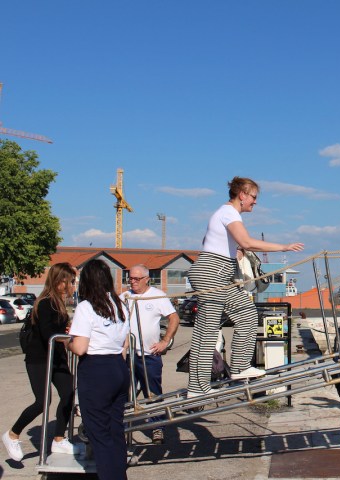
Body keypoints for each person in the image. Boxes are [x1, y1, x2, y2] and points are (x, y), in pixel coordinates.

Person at [187, 177, 303, 398]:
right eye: (253, 197)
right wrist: (284, 247)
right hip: (212, 274)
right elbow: (248, 242)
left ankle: (240, 367)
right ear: (242, 194)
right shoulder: (228, 212)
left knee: (247, 313)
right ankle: (197, 388)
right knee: (207, 330)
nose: (255, 202)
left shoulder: (226, 214)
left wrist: (232, 252)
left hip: (219, 273)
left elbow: (209, 241)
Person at [2, 263, 82, 462]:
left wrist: (67, 329)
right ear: (59, 281)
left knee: (68, 393)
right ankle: (12, 434)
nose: (72, 284)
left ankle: (58, 439)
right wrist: (71, 337)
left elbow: (58, 330)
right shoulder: (45, 302)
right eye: (70, 281)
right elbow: (48, 334)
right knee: (41, 402)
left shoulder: (60, 302)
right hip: (39, 359)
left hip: (57, 358)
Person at [67, 260, 130, 480]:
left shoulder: (87, 306)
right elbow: (125, 344)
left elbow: (81, 347)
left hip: (97, 370)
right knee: (115, 430)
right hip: (118, 367)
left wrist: (68, 341)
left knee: (99, 434)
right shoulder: (120, 304)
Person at [121, 264, 179, 445]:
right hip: (127, 353)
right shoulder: (124, 297)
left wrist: (165, 341)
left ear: (147, 279)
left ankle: (157, 428)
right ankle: (122, 427)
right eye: (130, 278)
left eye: (137, 279)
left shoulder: (157, 296)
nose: (133, 282)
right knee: (124, 393)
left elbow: (174, 318)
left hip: (149, 354)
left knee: (152, 392)